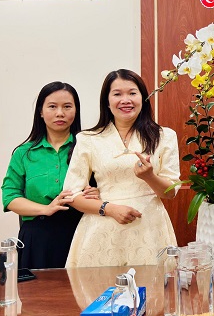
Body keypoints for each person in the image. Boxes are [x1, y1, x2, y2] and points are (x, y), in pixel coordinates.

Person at [63, 69, 180, 267]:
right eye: (117, 94)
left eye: (132, 93)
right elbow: (71, 195)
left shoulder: (165, 136)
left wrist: (149, 176)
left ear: (143, 98)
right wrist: (109, 209)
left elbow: (170, 193)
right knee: (99, 286)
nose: (125, 100)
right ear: (107, 102)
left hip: (150, 229)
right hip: (101, 230)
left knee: (153, 286)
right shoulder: (88, 139)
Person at [2, 82, 99, 269]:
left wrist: (97, 193)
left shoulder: (89, 148)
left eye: (67, 106)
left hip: (81, 232)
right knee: (38, 288)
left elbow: (106, 186)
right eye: (52, 106)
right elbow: (10, 197)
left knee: (80, 288)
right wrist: (46, 208)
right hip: (37, 238)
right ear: (41, 111)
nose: (60, 113)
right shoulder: (23, 153)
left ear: (76, 111)